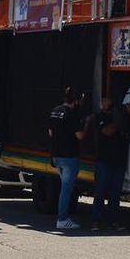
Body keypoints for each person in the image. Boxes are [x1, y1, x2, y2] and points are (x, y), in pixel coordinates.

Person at [85, 94, 130, 231]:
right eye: (105, 102)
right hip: (104, 161)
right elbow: (107, 131)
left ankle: (113, 220)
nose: (106, 104)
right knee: (100, 191)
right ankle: (95, 221)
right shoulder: (99, 117)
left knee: (115, 194)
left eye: (108, 102)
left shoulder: (123, 117)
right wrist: (119, 120)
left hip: (119, 161)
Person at [48, 87, 85, 230]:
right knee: (66, 190)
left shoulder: (55, 110)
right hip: (69, 155)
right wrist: (87, 125)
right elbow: (80, 136)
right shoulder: (72, 115)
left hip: (56, 155)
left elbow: (50, 132)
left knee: (64, 188)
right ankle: (62, 219)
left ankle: (62, 217)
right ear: (75, 101)